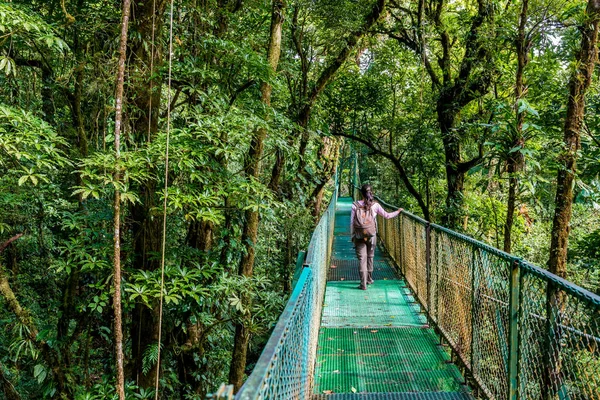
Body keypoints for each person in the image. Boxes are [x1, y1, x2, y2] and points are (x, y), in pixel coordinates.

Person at [350, 184, 403, 290]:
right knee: (370, 257)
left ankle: (363, 283)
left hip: (359, 235)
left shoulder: (355, 205)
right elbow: (387, 216)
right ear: (371, 193)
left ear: (361, 193)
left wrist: (352, 236)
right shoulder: (375, 205)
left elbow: (351, 223)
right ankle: (369, 279)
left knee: (362, 259)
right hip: (371, 235)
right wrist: (398, 211)